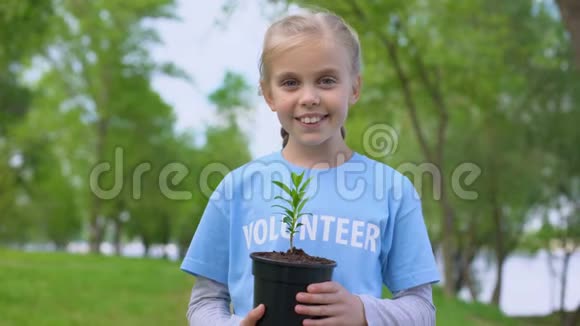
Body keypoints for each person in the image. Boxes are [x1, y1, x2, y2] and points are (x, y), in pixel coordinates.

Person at [181, 9, 440, 326]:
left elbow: (422, 309)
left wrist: (363, 312)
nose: (309, 97)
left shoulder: (392, 190)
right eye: (290, 83)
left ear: (354, 88)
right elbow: (205, 302)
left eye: (327, 80)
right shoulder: (236, 188)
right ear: (268, 94)